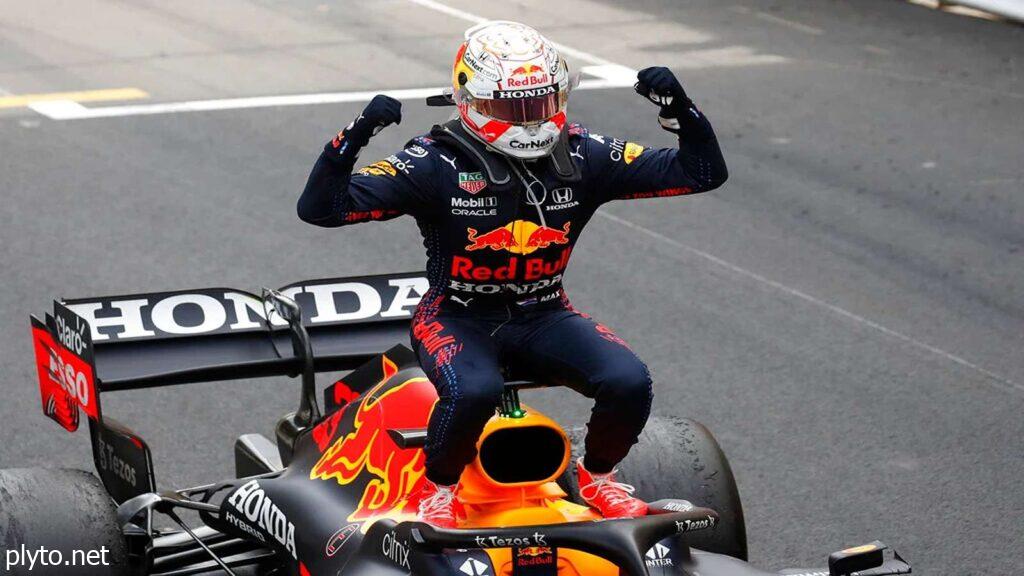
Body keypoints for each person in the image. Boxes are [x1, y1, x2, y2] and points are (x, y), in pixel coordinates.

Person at [298, 21, 727, 528]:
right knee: (473, 392)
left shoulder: (585, 153)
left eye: (539, 105)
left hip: (544, 312)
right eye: (512, 108)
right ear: (472, 102)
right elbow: (321, 208)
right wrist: (354, 135)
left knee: (628, 380)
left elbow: (702, 172)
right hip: (455, 317)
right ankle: (436, 491)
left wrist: (682, 110)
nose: (529, 122)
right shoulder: (433, 161)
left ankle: (598, 480)